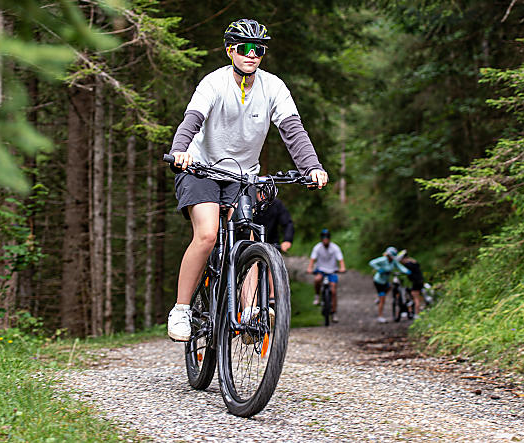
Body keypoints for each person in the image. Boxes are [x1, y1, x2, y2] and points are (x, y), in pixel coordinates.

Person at [167, 18, 328, 341]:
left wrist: (312, 165)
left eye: (260, 50)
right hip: (201, 168)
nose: (253, 55)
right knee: (209, 234)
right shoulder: (214, 83)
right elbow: (192, 120)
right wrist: (180, 151)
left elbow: (293, 130)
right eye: (246, 49)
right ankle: (182, 309)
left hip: (243, 176)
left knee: (251, 238)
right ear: (231, 51)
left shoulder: (274, 87)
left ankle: (252, 311)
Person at [306, 229, 346, 323]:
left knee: (333, 290)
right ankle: (317, 296)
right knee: (317, 279)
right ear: (321, 239)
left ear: (329, 238)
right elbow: (312, 259)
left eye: (327, 237)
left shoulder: (335, 248)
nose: (325, 239)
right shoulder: (317, 247)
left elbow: (341, 260)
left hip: (332, 271)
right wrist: (310, 268)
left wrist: (342, 268)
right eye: (323, 237)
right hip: (321, 270)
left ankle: (334, 312)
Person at [368, 246, 411, 323]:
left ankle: (380, 298)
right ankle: (380, 316)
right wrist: (379, 269)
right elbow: (371, 262)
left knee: (390, 286)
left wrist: (407, 271)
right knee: (383, 299)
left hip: (385, 281)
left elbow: (400, 267)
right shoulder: (383, 260)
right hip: (379, 281)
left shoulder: (393, 261)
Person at [398, 249, 424, 318]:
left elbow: (406, 271)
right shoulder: (414, 261)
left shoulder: (408, 264)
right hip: (420, 281)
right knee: (417, 296)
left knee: (416, 298)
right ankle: (415, 312)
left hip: (416, 282)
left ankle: (417, 314)